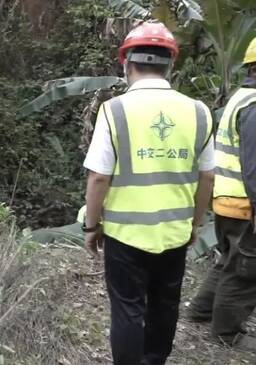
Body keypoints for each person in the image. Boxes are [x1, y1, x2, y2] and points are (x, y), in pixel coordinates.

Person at [82, 22, 215, 364]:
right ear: (170, 64)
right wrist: (196, 225)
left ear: (127, 63)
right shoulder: (198, 111)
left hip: (125, 236)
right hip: (174, 233)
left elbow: (98, 178)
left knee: (128, 310)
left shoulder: (114, 111)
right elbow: (207, 176)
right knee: (165, 304)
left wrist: (91, 227)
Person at [187, 37, 256, 350]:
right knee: (245, 271)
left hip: (228, 198)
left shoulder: (241, 97)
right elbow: (254, 165)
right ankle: (226, 333)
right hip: (245, 203)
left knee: (229, 259)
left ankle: (201, 310)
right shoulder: (254, 105)